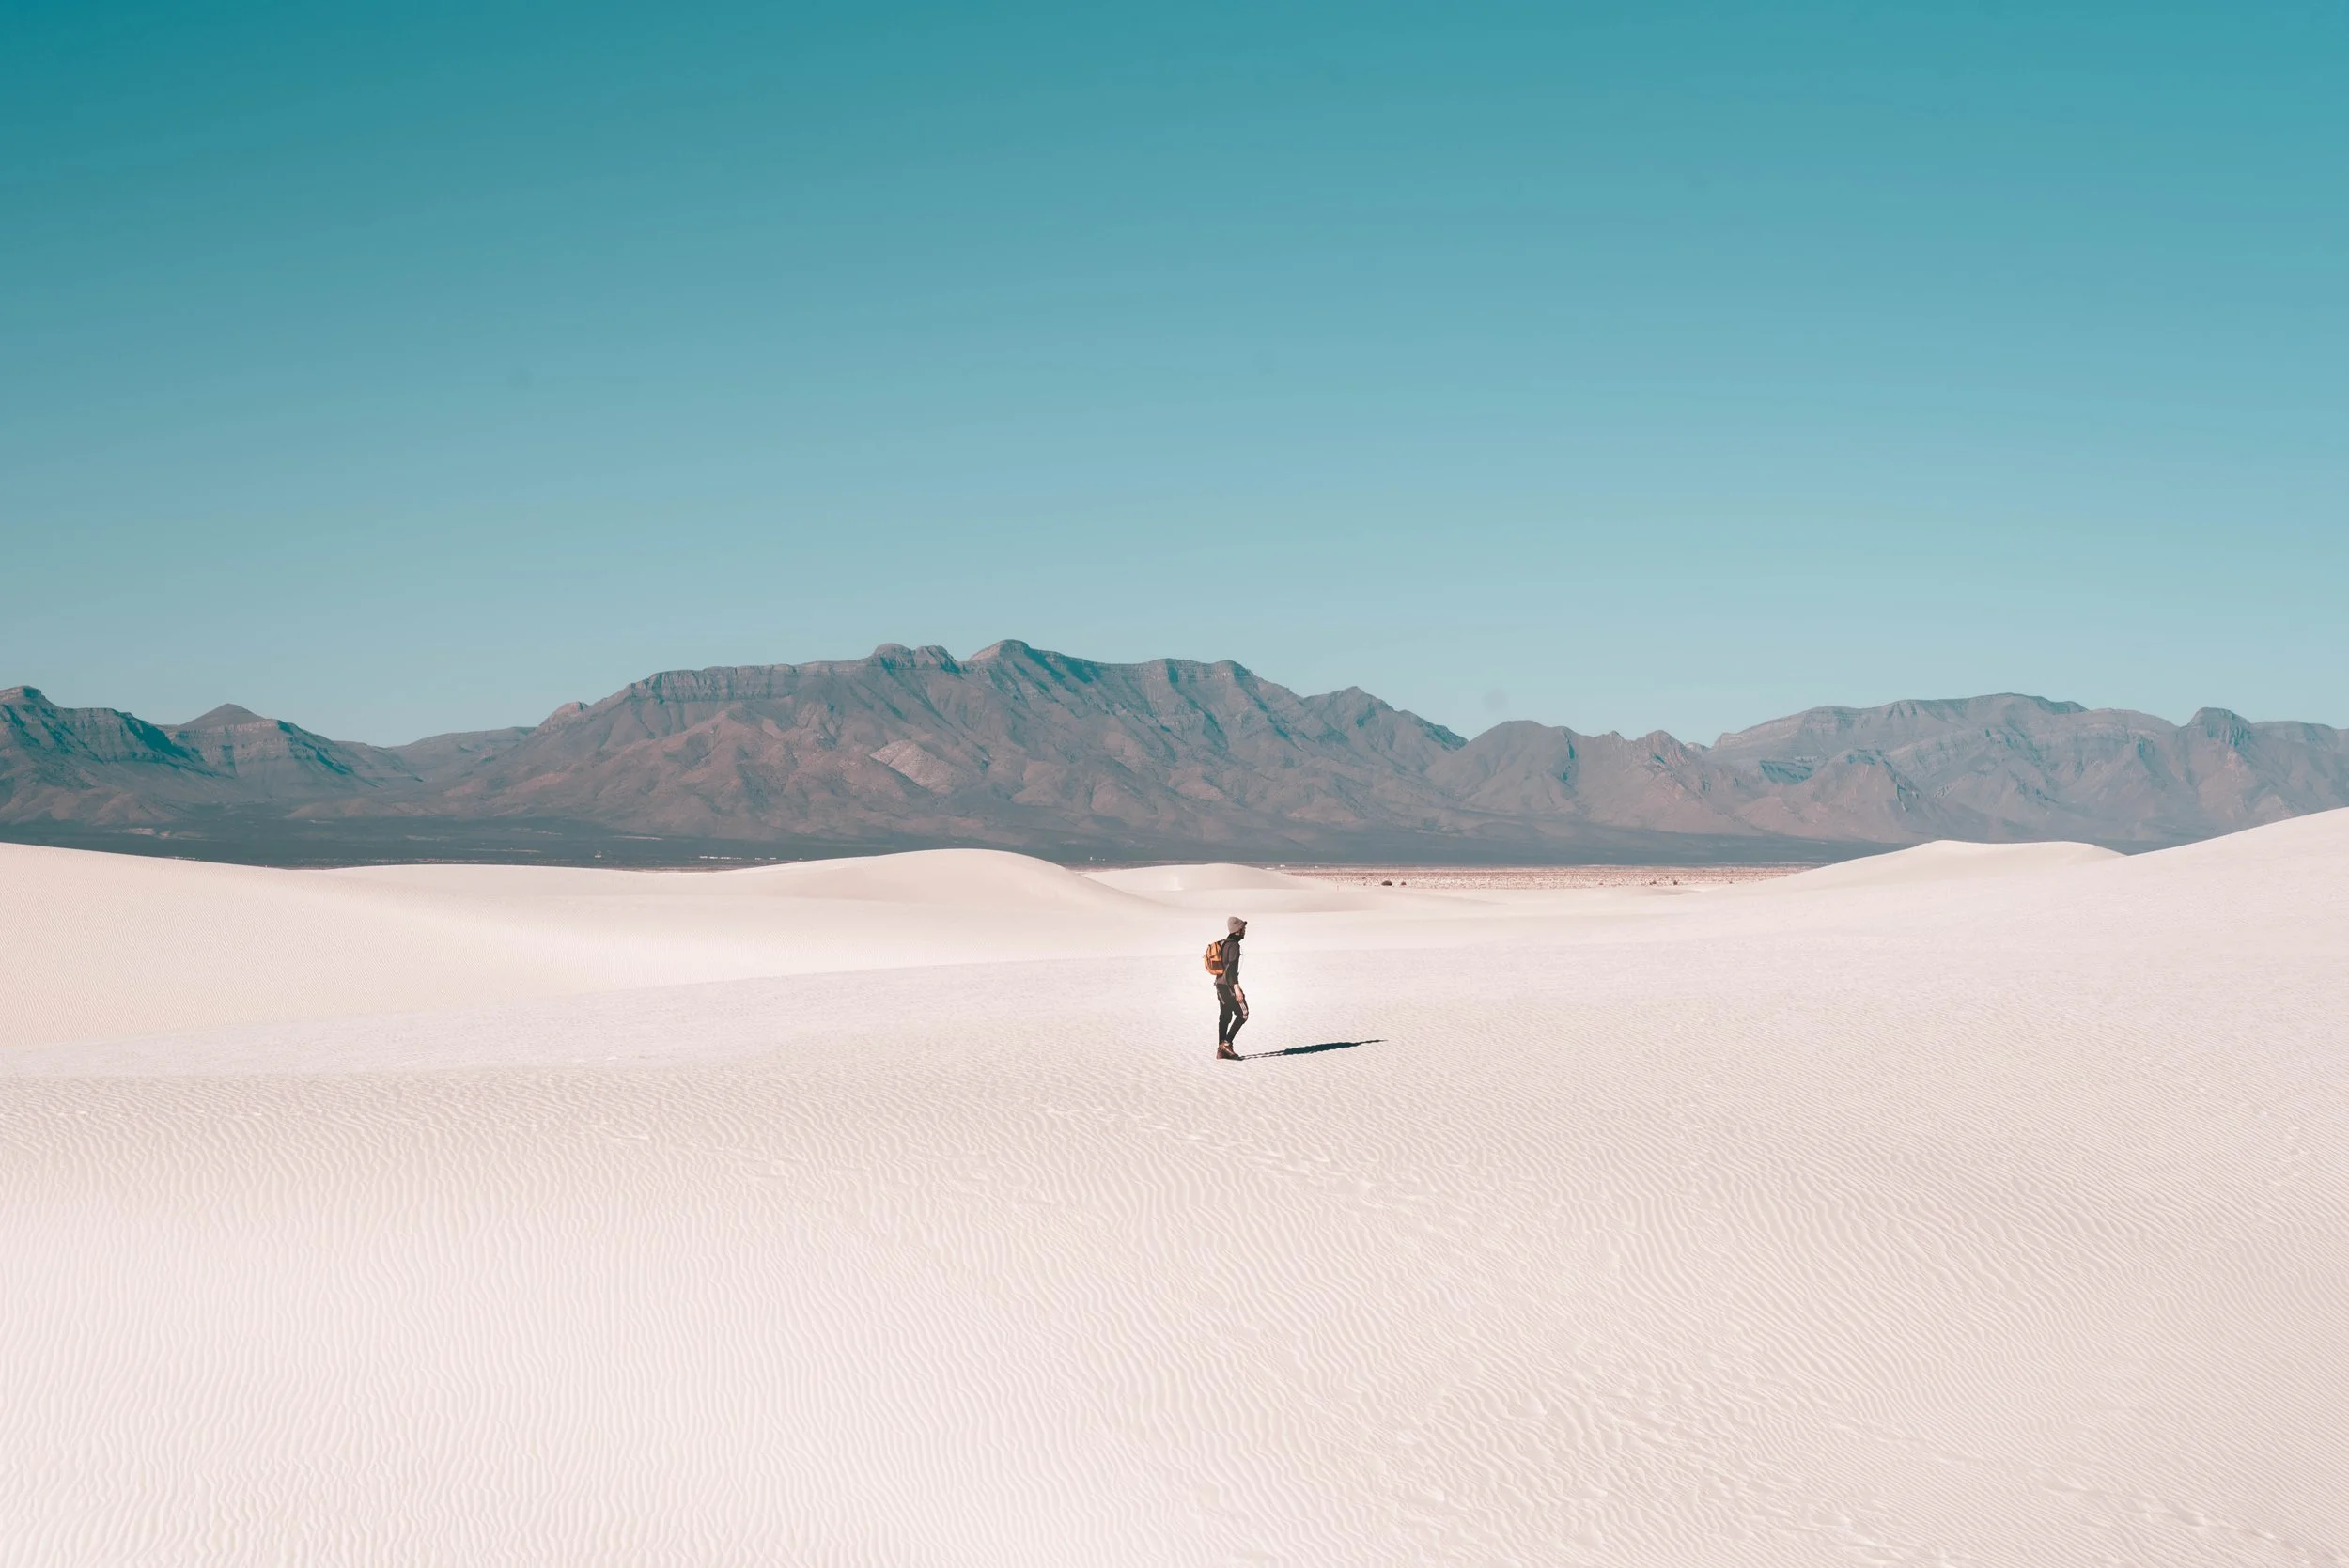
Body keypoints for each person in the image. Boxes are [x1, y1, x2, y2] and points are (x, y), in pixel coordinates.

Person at [1211, 915, 1248, 1060]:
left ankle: (1221, 1050)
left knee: (1225, 1016)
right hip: (1229, 986)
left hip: (1219, 985)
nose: (1245, 931)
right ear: (1237, 931)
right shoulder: (1234, 945)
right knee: (1243, 1014)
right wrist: (1237, 987)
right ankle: (1226, 1044)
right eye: (1243, 928)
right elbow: (1231, 968)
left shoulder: (1224, 944)